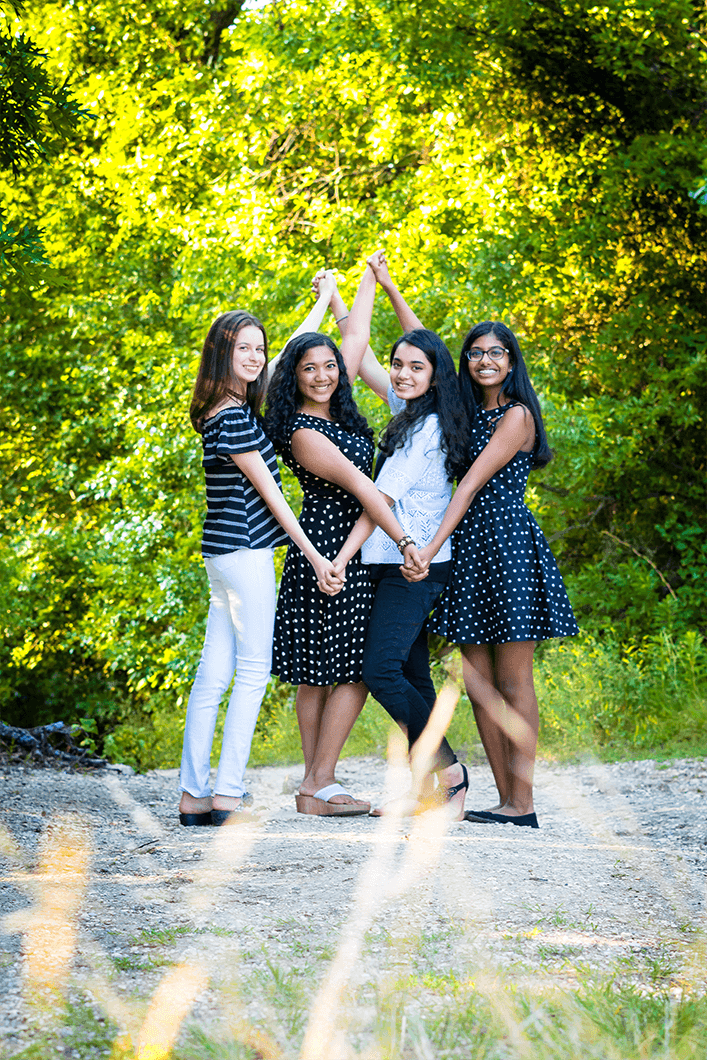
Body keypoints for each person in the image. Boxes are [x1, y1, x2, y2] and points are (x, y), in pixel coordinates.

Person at [366, 255, 579, 829]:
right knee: (478, 682)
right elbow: (425, 350)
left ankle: (524, 802)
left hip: (504, 544)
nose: (485, 360)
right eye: (476, 353)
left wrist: (425, 550)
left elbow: (466, 493)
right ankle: (503, 798)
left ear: (511, 364)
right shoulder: (458, 408)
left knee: (513, 680)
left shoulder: (515, 418)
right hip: (468, 550)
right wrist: (388, 287)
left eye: (496, 353)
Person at [179, 281, 344, 827]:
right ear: (221, 353)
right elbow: (274, 500)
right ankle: (227, 794)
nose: (254, 357)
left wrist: (321, 303)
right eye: (242, 348)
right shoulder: (233, 418)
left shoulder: (223, 407)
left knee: (214, 674)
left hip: (220, 555)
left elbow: (288, 355)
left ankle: (193, 795)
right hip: (245, 555)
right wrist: (317, 556)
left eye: (258, 347)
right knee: (251, 672)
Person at [264, 273, 425, 817]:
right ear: (294, 376)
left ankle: (315, 788)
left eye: (329, 366)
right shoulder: (304, 431)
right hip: (331, 550)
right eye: (309, 368)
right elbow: (364, 490)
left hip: (346, 547)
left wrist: (356, 285)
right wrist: (405, 539)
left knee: (324, 668)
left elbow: (353, 337)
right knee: (340, 669)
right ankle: (320, 783)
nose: (324, 374)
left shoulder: (339, 405)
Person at [328, 258, 471, 819]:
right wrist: (355, 297)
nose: (403, 373)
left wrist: (337, 558)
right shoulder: (407, 411)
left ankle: (449, 773)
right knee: (410, 674)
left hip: (415, 565)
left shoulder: (429, 427)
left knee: (382, 671)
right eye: (398, 366)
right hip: (392, 561)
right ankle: (434, 790)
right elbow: (358, 358)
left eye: (416, 367)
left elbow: (379, 500)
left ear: (435, 376)